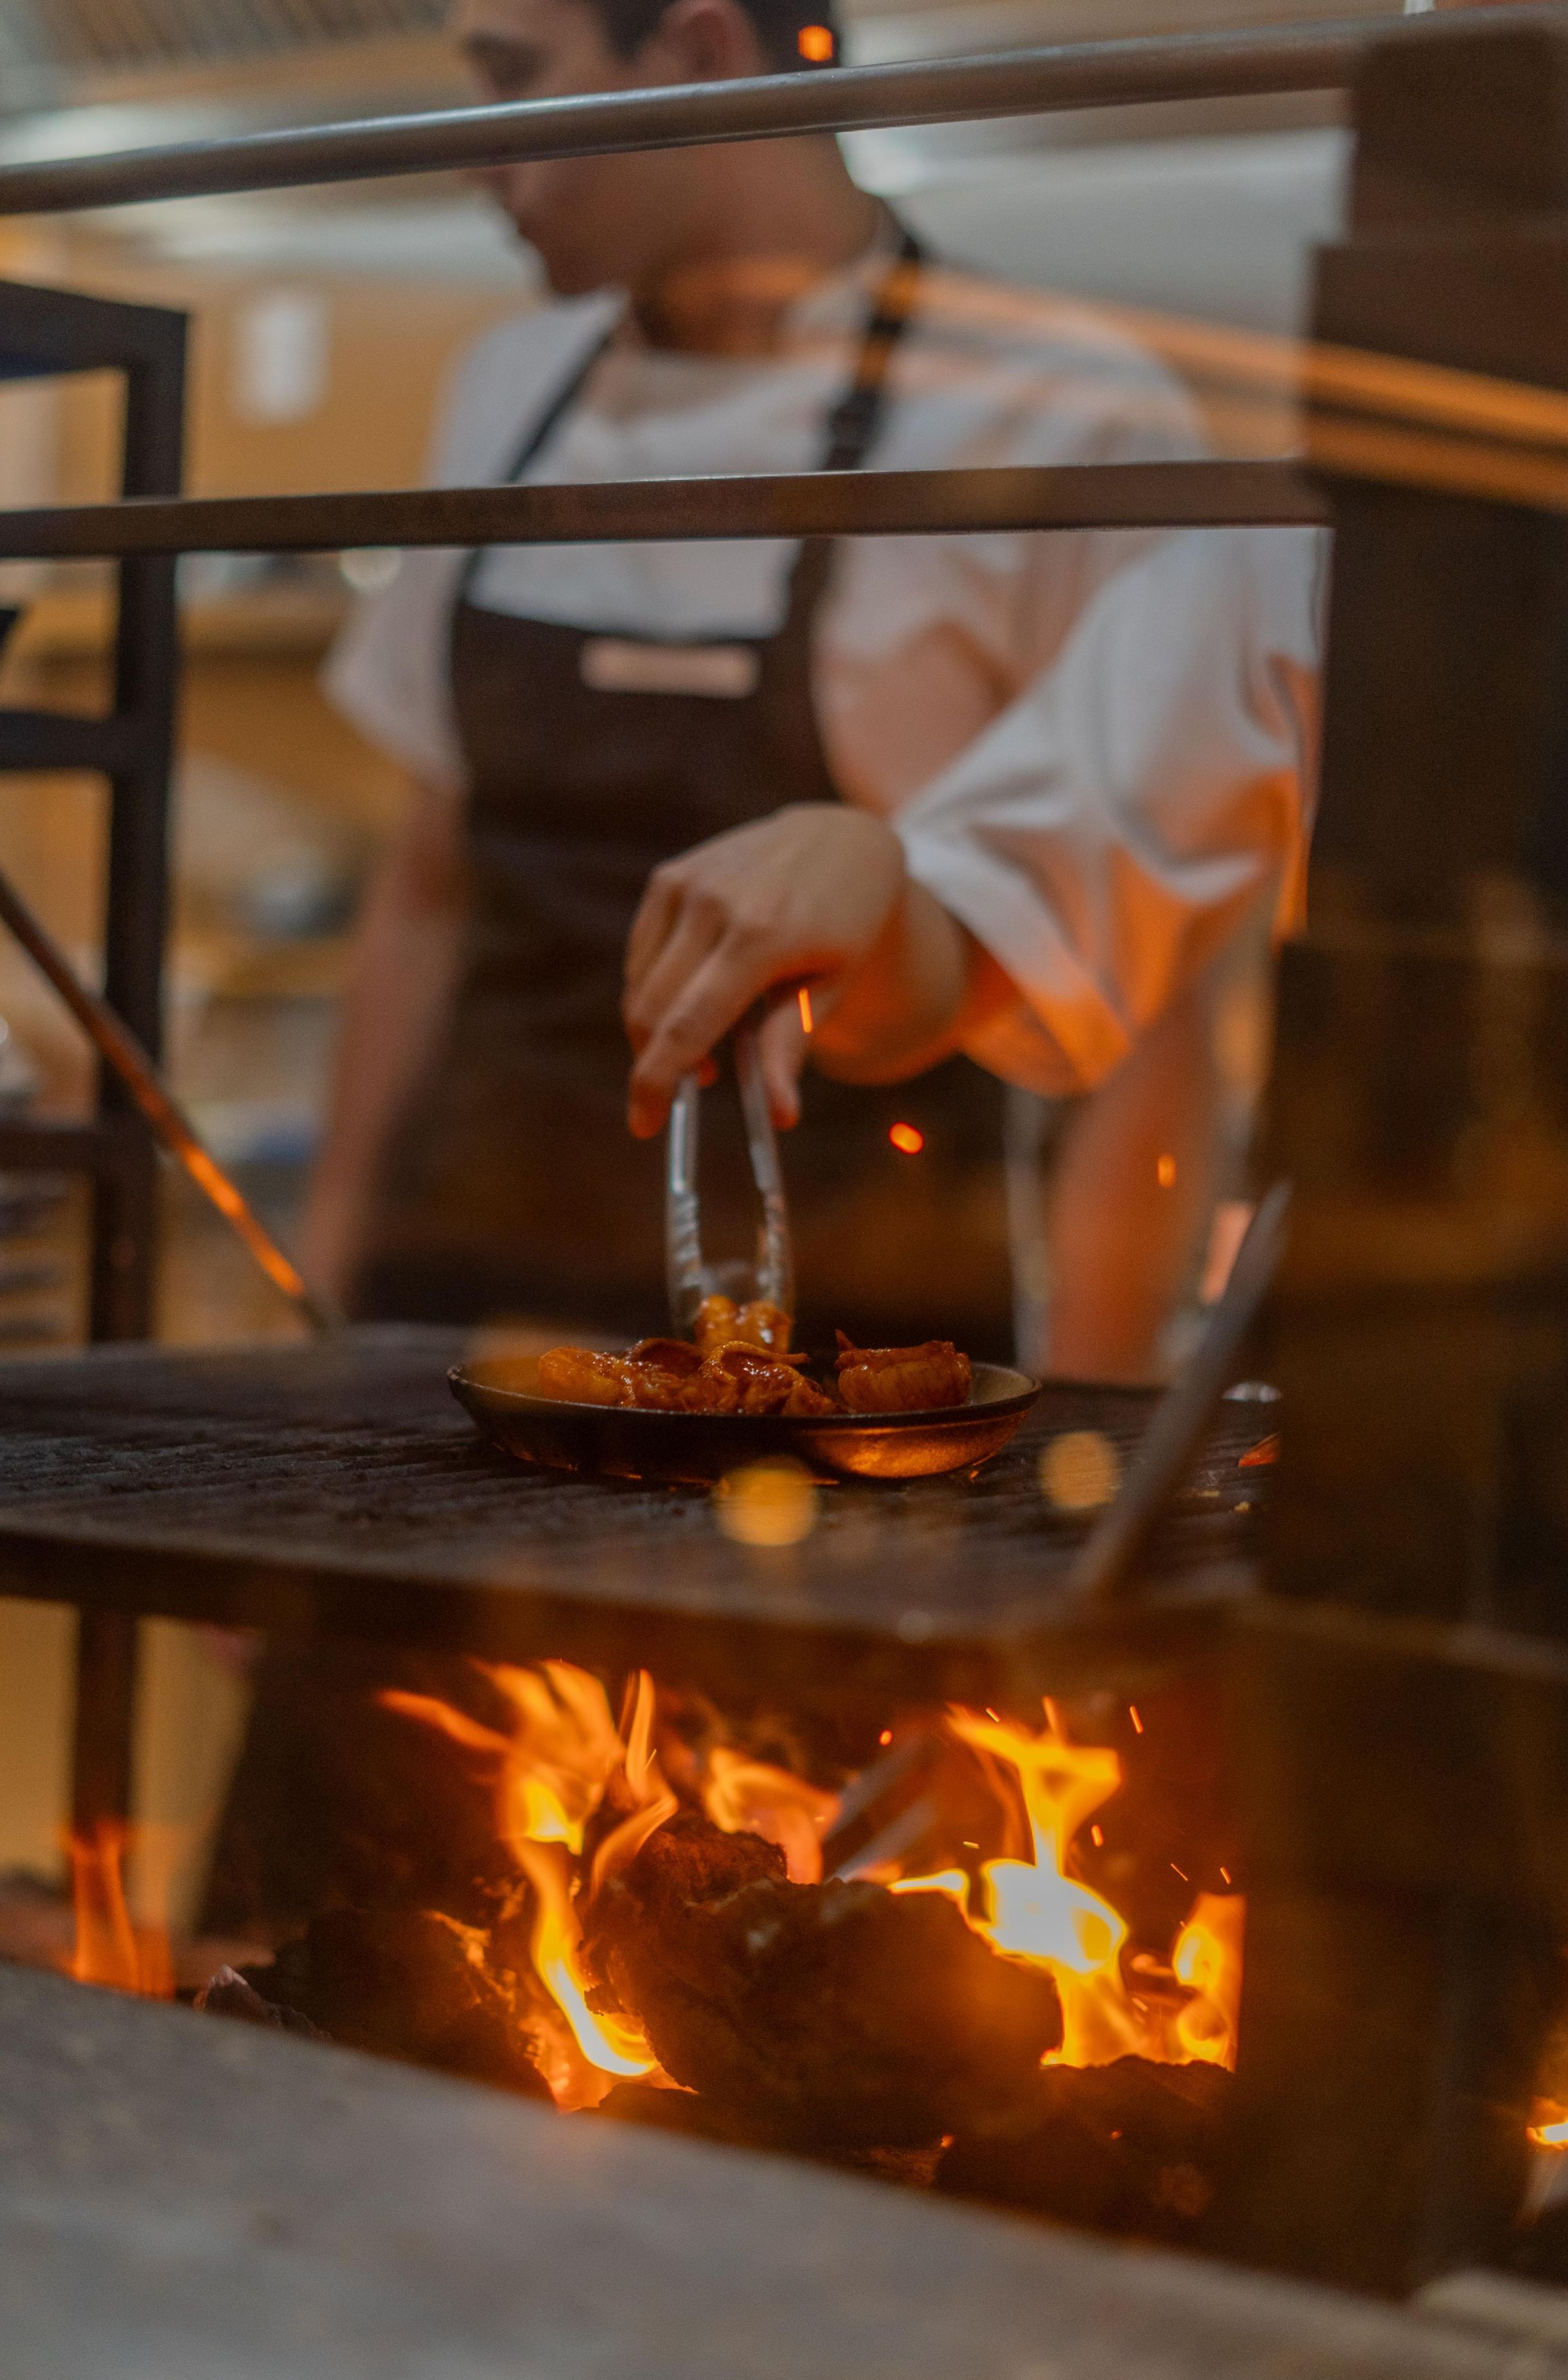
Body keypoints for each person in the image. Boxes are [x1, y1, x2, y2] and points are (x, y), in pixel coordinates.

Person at [299, 0, 1326, 1377]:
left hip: (855, 1348)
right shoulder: (506, 384)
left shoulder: (1052, 408)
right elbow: (427, 884)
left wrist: (1086, 1414)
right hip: (458, 1310)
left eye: (512, 75)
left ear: (702, 51)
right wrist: (318, 1285)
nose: (478, 151)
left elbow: (1137, 997)